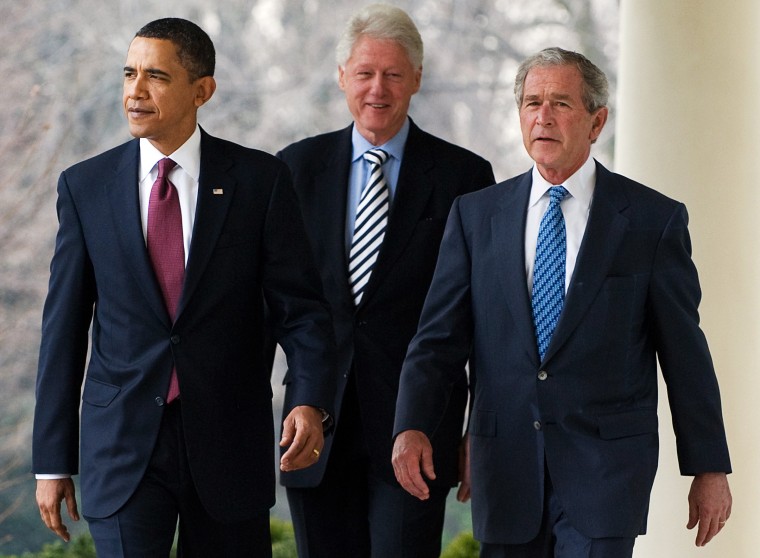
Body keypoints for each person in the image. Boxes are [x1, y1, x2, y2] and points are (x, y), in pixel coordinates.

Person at [392, 47, 732, 557]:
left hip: (605, 475)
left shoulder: (650, 221)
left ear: (597, 122)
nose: (543, 117)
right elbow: (438, 339)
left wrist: (709, 466)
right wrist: (412, 424)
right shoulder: (476, 216)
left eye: (560, 103)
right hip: (504, 467)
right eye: (531, 103)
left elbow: (685, 354)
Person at [32, 18, 336, 558]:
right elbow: (63, 330)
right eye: (129, 74)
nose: (135, 91)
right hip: (122, 449)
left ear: (202, 90)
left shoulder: (259, 182)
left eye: (156, 76)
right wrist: (52, 461)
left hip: (228, 447)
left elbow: (303, 311)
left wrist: (309, 400)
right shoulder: (85, 187)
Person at [274, 4, 494, 557]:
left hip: (416, 430)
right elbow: (274, 304)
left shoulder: (463, 178)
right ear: (342, 75)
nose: (379, 88)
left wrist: (479, 430)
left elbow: (483, 322)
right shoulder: (293, 171)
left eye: (394, 74)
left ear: (416, 79)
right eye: (366, 72)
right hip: (314, 427)